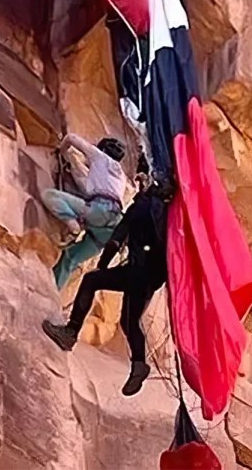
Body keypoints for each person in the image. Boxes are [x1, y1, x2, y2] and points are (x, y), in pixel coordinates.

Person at [42, 163, 172, 397]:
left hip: (137, 270)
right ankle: (139, 364)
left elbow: (116, 240)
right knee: (129, 320)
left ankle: (70, 333)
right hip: (153, 278)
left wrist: (103, 265)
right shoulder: (169, 214)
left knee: (92, 280)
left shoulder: (139, 207)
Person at [42, 133, 128, 288]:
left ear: (101, 148)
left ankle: (72, 224)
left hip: (99, 211)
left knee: (49, 195)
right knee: (70, 259)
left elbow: (71, 138)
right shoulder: (121, 177)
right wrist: (73, 167)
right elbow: (89, 187)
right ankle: (52, 293)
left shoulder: (99, 157)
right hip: (112, 228)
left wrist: (61, 149)